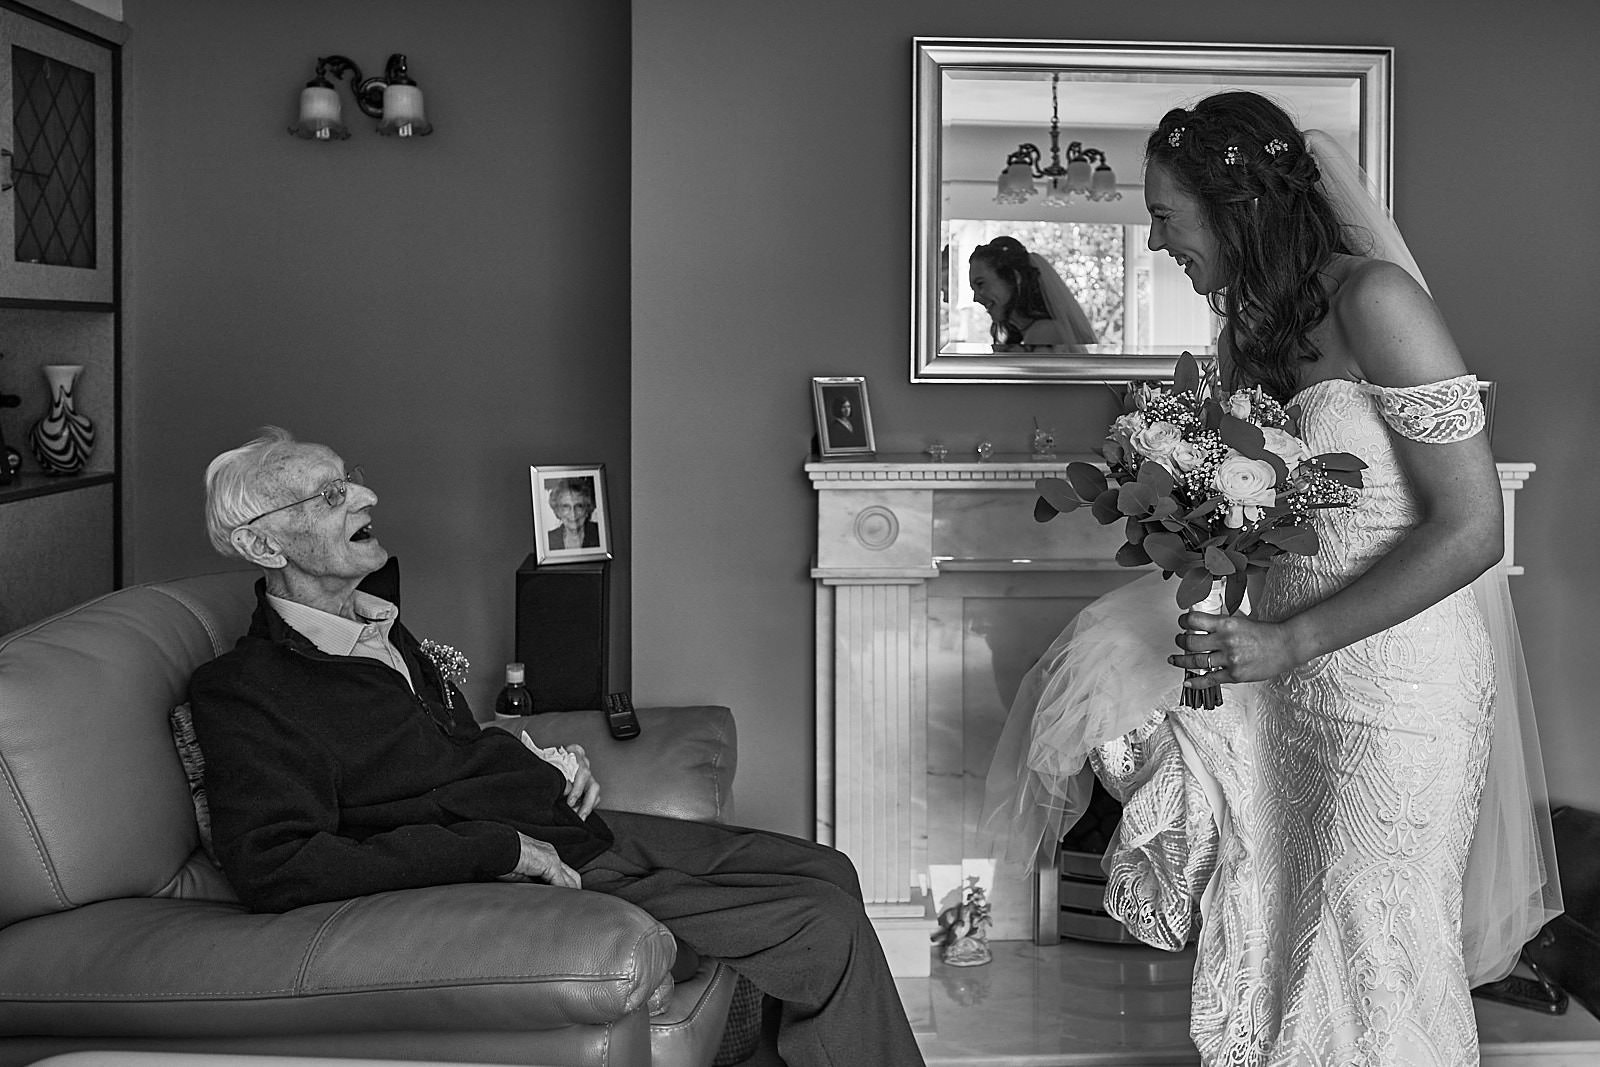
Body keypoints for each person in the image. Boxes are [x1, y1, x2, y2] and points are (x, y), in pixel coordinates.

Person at [981, 92, 1559, 1066]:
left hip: (1396, 684)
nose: (1157, 239)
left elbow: (1470, 529)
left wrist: (1291, 637)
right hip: (1284, 686)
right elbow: (1270, 521)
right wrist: (1209, 576)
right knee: (1280, 931)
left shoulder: (1376, 300)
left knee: (1368, 941)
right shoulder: (1248, 333)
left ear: (1235, 201)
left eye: (1166, 216)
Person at [189, 427, 926, 1067]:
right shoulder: (248, 688)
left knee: (826, 867)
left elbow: (438, 753)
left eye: (349, 479)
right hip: (521, 868)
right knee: (822, 927)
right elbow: (279, 864)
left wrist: (542, 762)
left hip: (563, 819)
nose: (366, 496)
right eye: (329, 495)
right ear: (261, 541)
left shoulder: (377, 622)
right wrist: (496, 849)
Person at [967, 235, 1097, 353]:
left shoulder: (1044, 333)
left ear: (1015, 278)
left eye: (980, 284)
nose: (976, 298)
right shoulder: (1035, 332)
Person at [546, 477, 600, 551]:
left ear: (587, 509)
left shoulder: (600, 534)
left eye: (579, 506)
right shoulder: (548, 540)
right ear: (558, 511)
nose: (573, 513)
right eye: (566, 507)